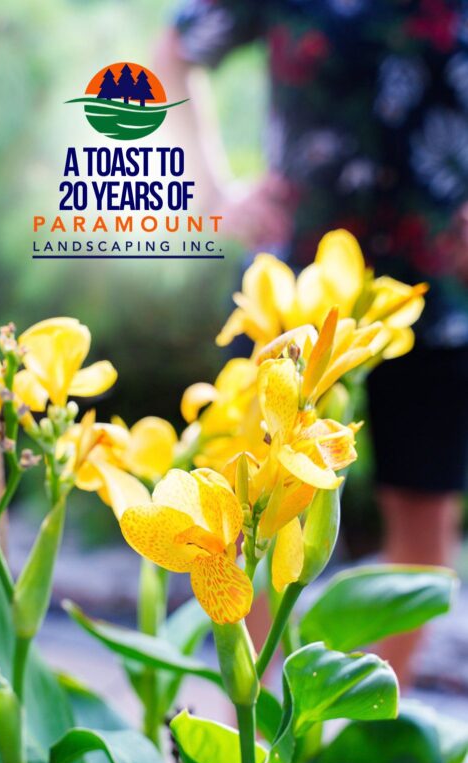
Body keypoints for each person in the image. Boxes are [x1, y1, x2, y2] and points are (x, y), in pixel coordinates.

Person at [157, 0, 468, 685]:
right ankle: (266, 729)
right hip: (291, 303)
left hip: (436, 297)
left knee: (422, 527)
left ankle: (349, 730)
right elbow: (173, 51)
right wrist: (212, 193)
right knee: (257, 514)